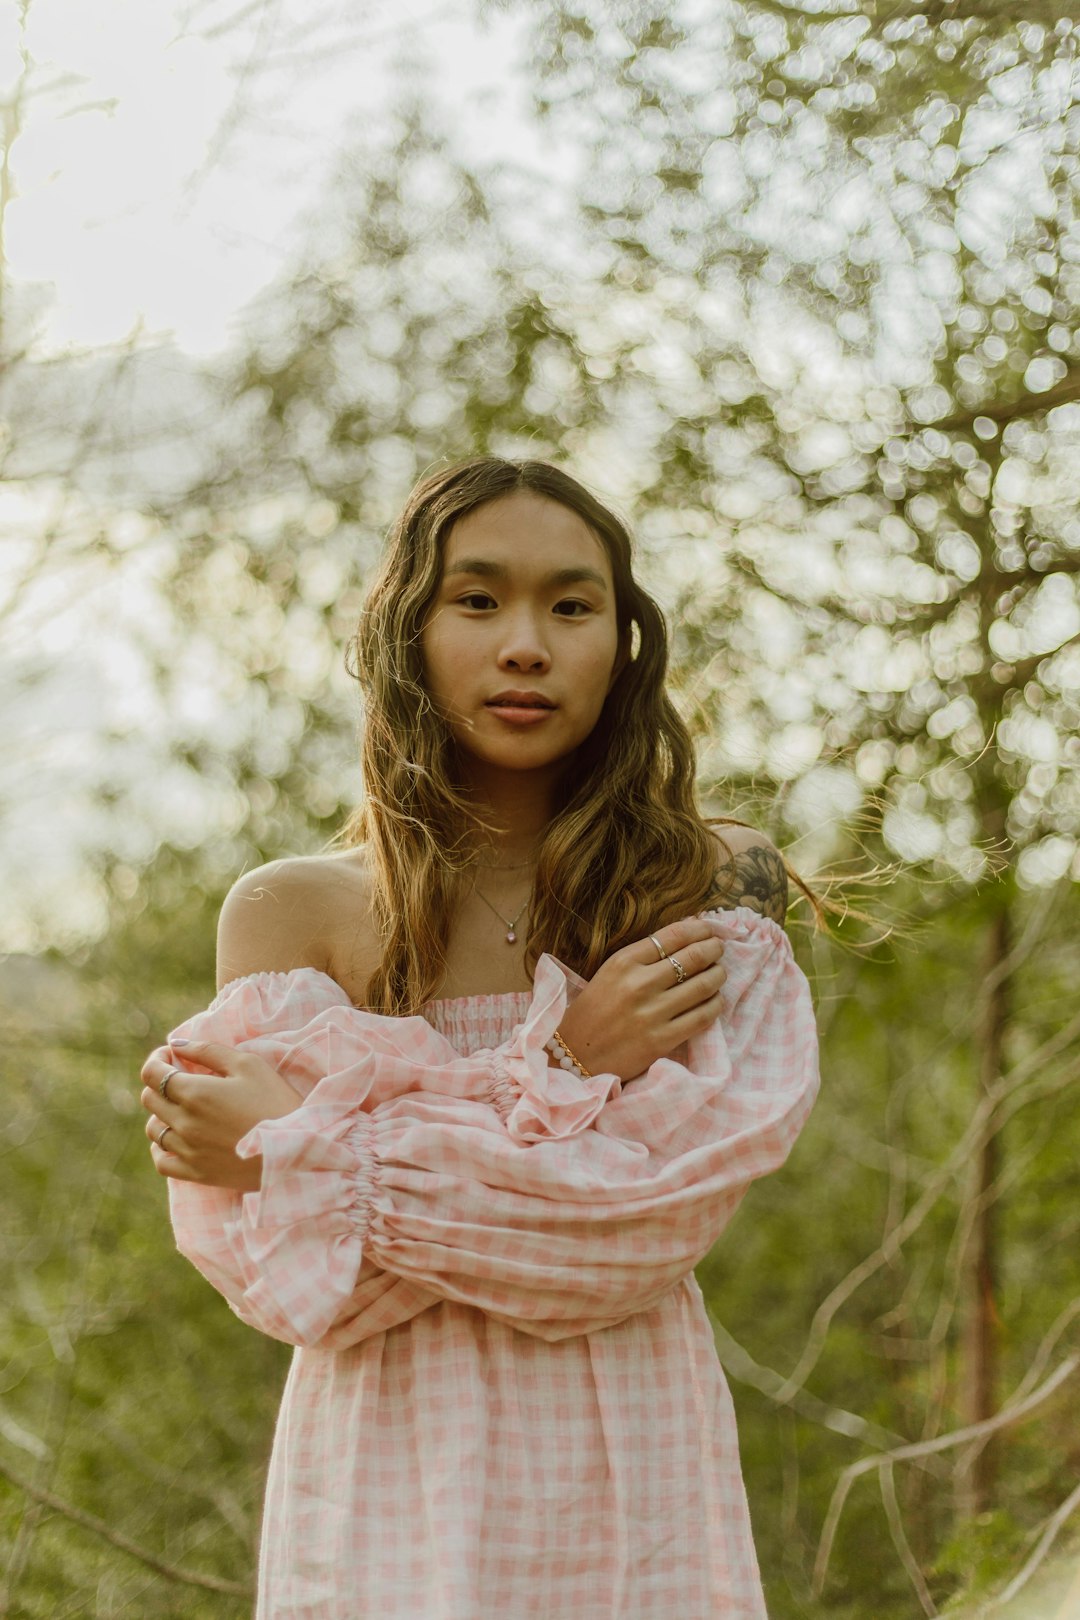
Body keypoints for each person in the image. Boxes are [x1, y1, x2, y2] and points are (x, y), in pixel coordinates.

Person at [139, 457, 820, 1619]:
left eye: (570, 604)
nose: (525, 644)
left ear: (623, 641)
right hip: (383, 1478)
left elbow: (628, 1237)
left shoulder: (706, 887)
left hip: (630, 1473)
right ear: (408, 630)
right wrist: (565, 1076)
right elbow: (301, 1290)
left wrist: (320, 1150)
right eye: (477, 599)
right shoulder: (288, 912)